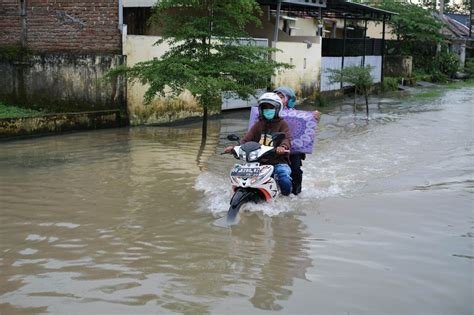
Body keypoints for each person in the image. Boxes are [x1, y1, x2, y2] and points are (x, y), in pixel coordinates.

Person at [224, 92, 293, 196]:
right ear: (261, 110)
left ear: (277, 109)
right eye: (265, 108)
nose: (267, 110)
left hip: (278, 161)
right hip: (258, 163)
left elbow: (286, 139)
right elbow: (246, 139)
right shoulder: (258, 125)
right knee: (239, 177)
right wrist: (234, 148)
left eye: (271, 108)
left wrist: (282, 147)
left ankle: (286, 199)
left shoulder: (283, 125)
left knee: (284, 179)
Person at [273, 86, 321, 195]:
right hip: (273, 149)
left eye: (281, 97)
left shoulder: (299, 116)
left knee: (295, 171)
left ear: (289, 100)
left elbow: (309, 125)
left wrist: (315, 116)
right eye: (276, 97)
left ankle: (296, 194)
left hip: (293, 151)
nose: (278, 99)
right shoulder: (267, 112)